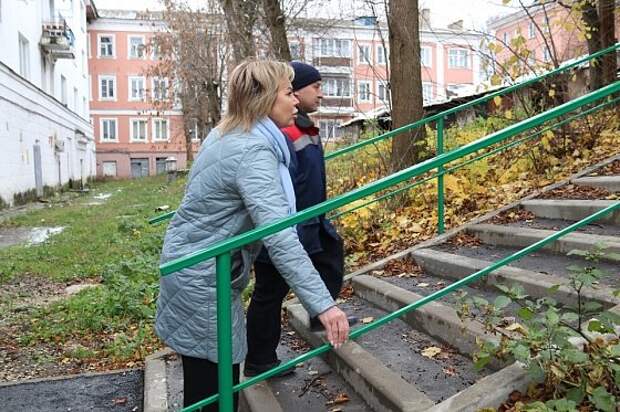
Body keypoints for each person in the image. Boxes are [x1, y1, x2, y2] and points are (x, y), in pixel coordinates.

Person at [155, 60, 350, 412]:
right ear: (263, 99)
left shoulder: (231, 134)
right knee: (212, 394)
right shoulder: (253, 150)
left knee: (211, 389)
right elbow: (279, 235)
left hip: (197, 271)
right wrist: (324, 305)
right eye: (288, 92)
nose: (295, 101)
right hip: (203, 280)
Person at [245, 61, 355, 378]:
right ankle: (260, 360)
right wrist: (295, 229)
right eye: (315, 88)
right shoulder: (283, 133)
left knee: (331, 259)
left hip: (310, 221)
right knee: (270, 291)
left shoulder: (304, 126)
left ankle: (322, 316)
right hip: (287, 227)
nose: (320, 94)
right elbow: (282, 187)